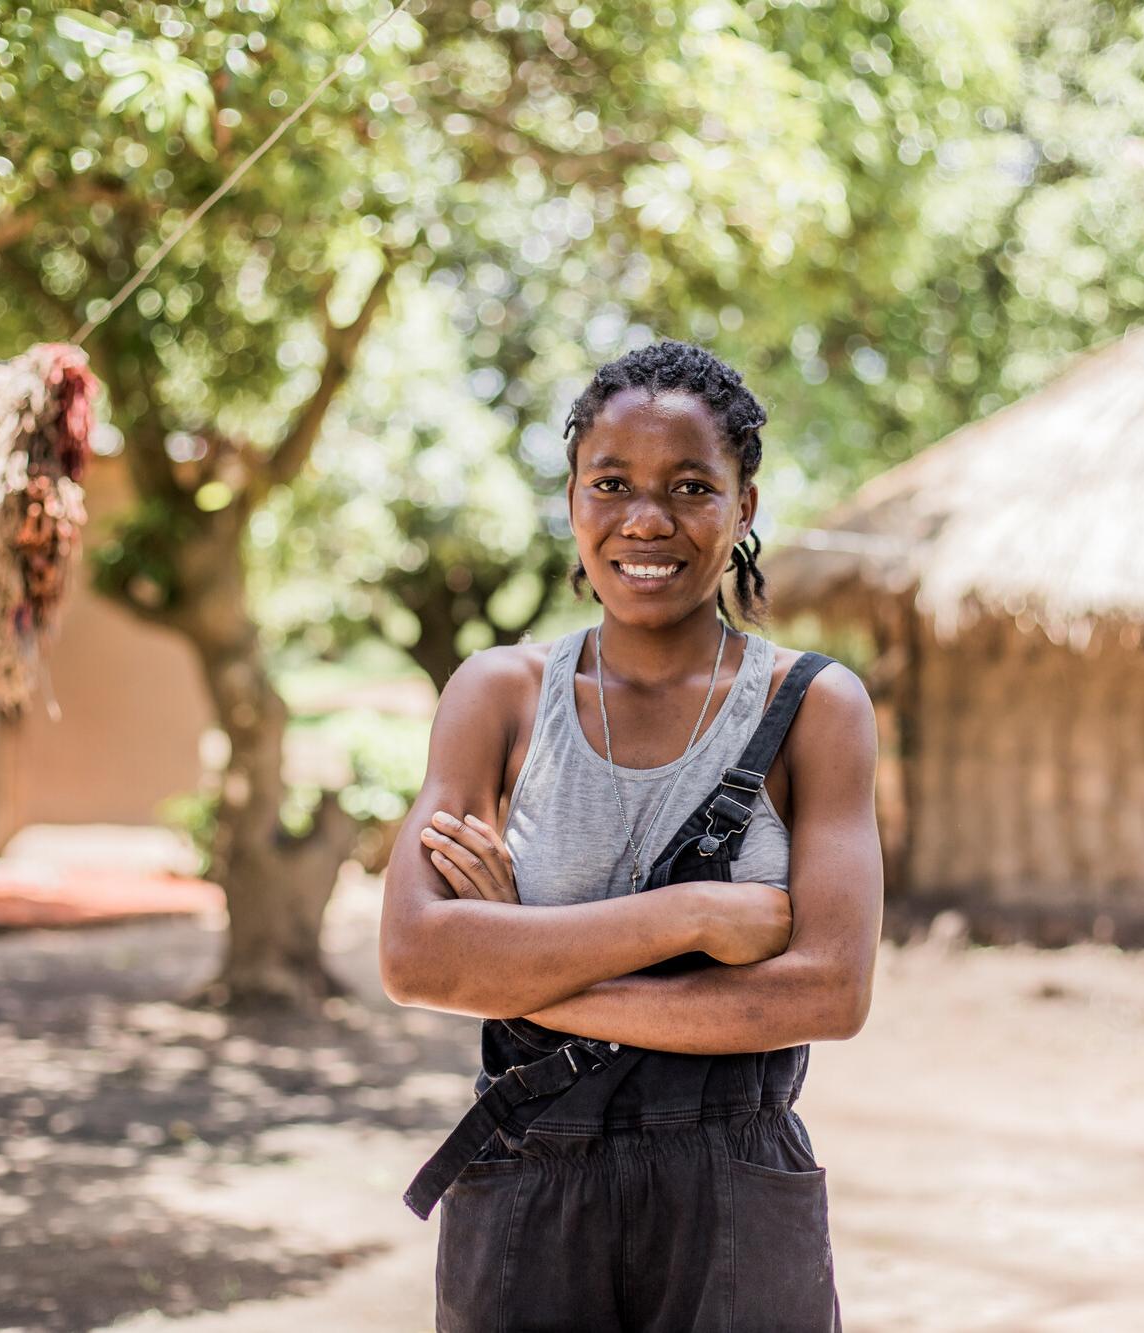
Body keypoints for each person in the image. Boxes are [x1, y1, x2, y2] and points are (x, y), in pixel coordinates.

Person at [379, 339, 883, 1332]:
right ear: (571, 498)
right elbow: (413, 957)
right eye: (610, 483)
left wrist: (517, 959)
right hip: (529, 1175)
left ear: (741, 507)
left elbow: (828, 990)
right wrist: (694, 912)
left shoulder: (813, 706)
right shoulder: (500, 695)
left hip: (733, 1180)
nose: (645, 519)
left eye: (690, 486)